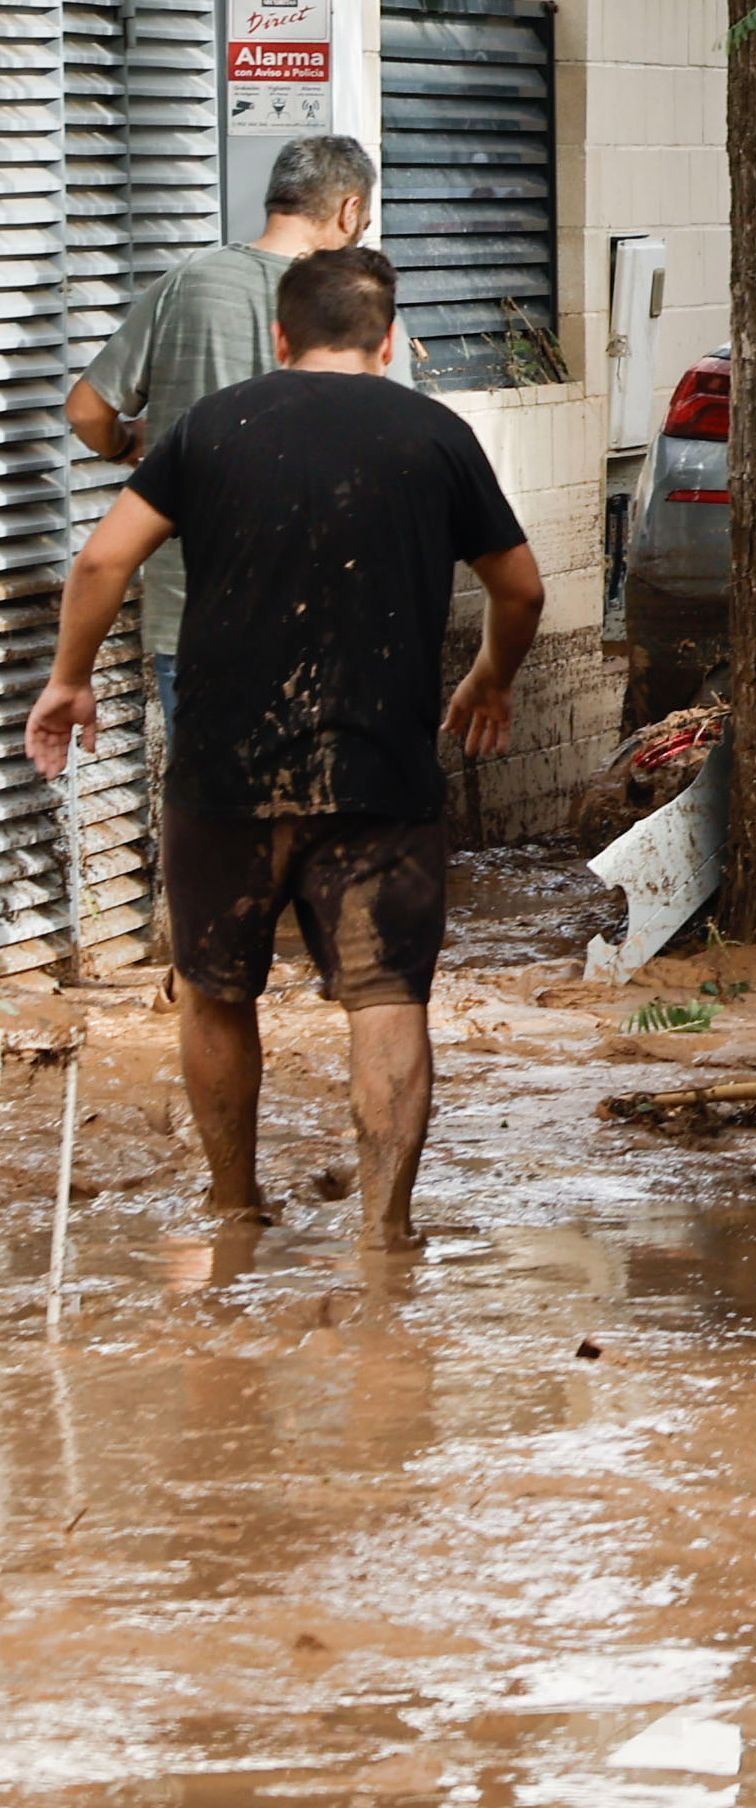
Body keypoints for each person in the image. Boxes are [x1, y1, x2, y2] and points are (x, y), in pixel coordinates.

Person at [21, 247, 543, 1248]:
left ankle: (233, 1208)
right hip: (381, 771)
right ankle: (386, 1233)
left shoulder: (211, 426)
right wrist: (492, 677)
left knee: (215, 992)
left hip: (224, 770)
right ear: (386, 342)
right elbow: (519, 589)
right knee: (387, 997)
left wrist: (70, 678)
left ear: (278, 337)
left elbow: (102, 559)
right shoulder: (435, 434)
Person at [67, 134, 382, 732]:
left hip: (193, 616)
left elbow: (87, 409)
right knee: (317, 815)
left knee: (209, 813)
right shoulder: (357, 304)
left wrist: (127, 447)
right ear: (348, 210)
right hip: (324, 614)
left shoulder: (186, 283)